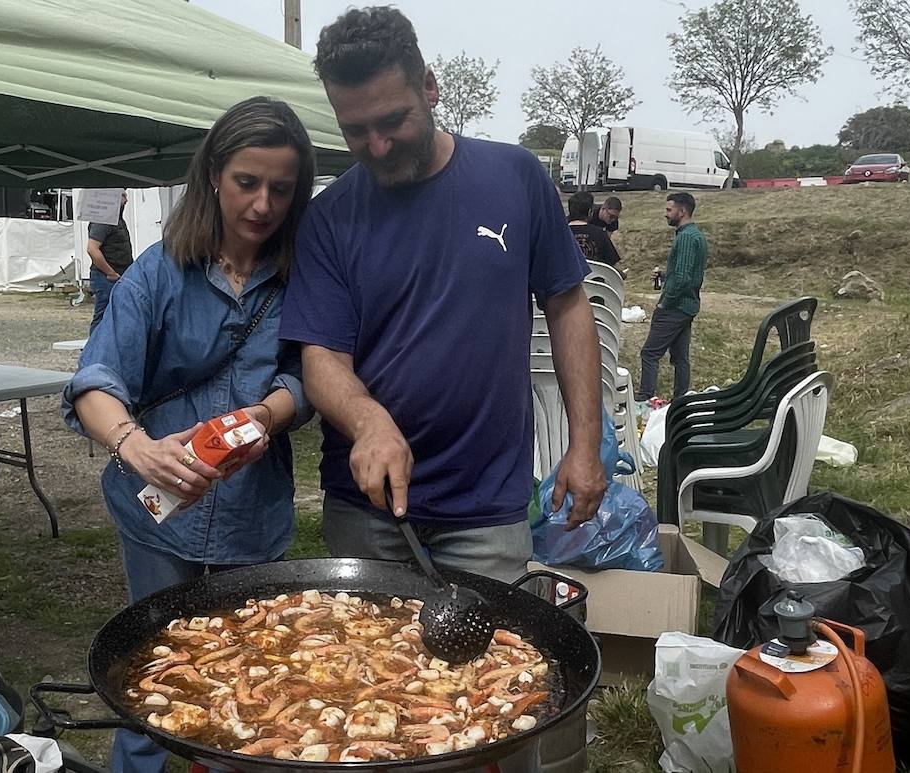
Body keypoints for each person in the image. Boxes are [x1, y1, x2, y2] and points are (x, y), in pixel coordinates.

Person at [281, 5, 607, 587]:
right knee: (364, 675)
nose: (377, 146)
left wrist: (585, 446)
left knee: (488, 673)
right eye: (355, 129)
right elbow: (321, 357)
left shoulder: (515, 176)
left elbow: (567, 305)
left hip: (486, 506)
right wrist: (368, 420)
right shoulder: (329, 218)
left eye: (393, 120)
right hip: (367, 506)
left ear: (429, 87)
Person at [61, 96, 315, 773]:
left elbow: (308, 374)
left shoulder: (303, 275)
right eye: (247, 182)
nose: (263, 203)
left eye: (281, 189)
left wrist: (269, 413)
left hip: (250, 515)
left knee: (254, 685)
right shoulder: (158, 270)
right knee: (156, 674)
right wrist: (134, 445)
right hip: (159, 517)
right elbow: (95, 379)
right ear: (213, 177)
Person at [639, 191, 708, 402]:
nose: (666, 214)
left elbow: (683, 278)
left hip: (675, 307)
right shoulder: (696, 235)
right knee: (680, 358)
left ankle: (645, 397)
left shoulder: (686, 238)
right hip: (688, 306)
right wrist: (665, 275)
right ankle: (681, 400)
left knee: (649, 353)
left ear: (683, 211)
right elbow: (685, 272)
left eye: (669, 210)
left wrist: (665, 303)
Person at [86, 192, 134, 333]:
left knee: (119, 317)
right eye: (123, 196)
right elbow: (92, 249)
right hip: (106, 278)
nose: (126, 200)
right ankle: (94, 351)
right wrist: (110, 272)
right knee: (102, 317)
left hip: (119, 275)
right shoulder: (103, 220)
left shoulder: (117, 220)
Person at [567, 190, 621, 267]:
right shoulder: (600, 234)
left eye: (616, 217)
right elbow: (611, 262)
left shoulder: (561, 232)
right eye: (611, 216)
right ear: (590, 212)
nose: (613, 219)